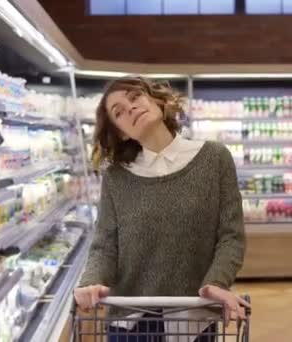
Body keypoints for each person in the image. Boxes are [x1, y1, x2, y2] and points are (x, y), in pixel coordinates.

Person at [73, 76, 248, 341]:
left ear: (155, 100)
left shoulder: (214, 159)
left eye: (135, 97)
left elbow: (231, 236)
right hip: (128, 322)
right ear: (120, 132)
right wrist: (91, 281)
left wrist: (215, 283)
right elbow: (105, 244)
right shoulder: (117, 176)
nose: (130, 108)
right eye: (118, 112)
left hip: (192, 318)